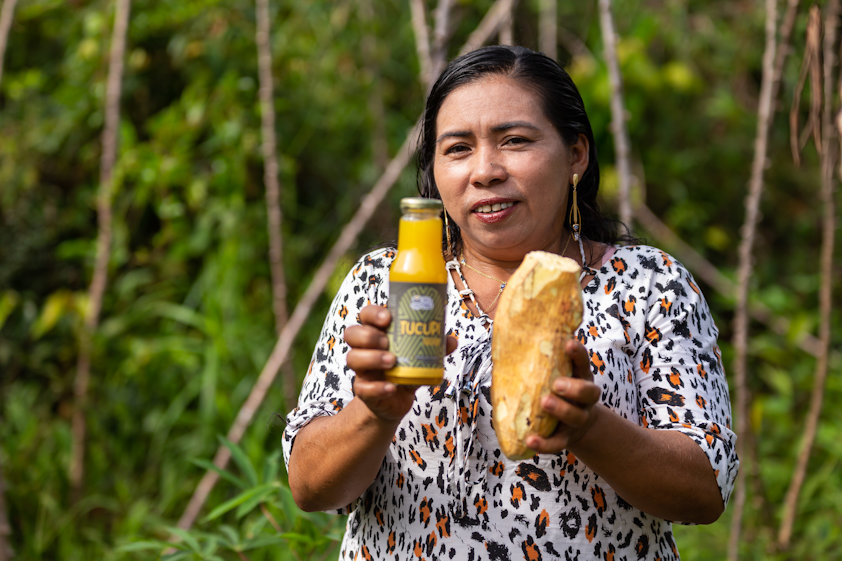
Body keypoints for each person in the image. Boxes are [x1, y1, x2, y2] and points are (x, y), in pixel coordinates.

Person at [283, 45, 738, 560]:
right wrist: (373, 413)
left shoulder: (649, 284)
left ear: (576, 155)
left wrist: (590, 428)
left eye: (514, 140)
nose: (485, 171)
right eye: (458, 148)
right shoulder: (386, 283)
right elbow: (310, 487)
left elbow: (705, 491)